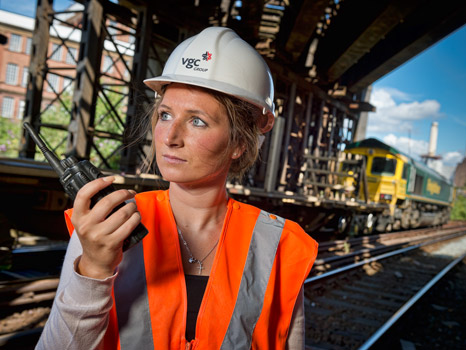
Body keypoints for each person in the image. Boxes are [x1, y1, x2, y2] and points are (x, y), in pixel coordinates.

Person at [35, 27, 318, 350]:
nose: (169, 137)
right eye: (165, 115)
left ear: (239, 142)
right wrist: (94, 270)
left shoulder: (279, 244)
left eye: (197, 121)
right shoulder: (107, 226)